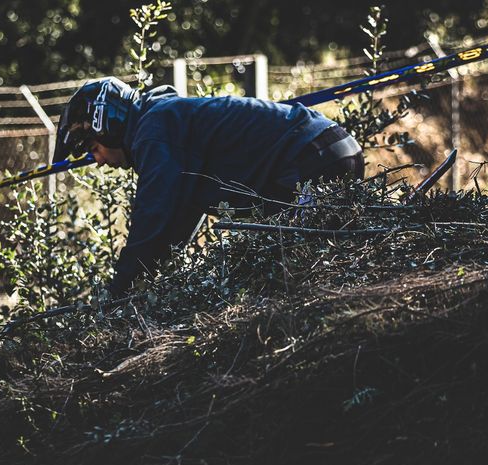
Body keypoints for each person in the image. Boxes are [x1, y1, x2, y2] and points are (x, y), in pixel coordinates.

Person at [52, 76, 364, 298]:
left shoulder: (154, 129)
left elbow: (151, 219)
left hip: (312, 158)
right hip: (330, 150)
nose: (97, 160)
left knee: (298, 284)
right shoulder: (165, 123)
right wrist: (151, 282)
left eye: (91, 147)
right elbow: (176, 223)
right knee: (318, 269)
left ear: (107, 125)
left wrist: (115, 295)